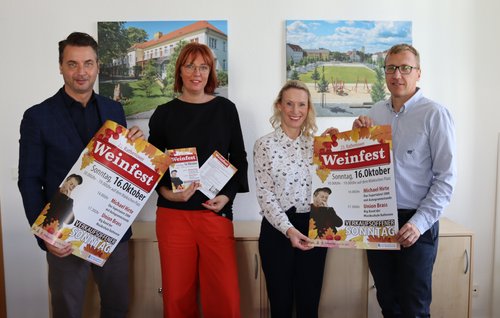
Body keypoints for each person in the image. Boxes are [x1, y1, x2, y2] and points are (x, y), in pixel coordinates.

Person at [18, 32, 144, 318]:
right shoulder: (37, 116)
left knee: (117, 306)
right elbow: (28, 179)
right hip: (63, 231)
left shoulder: (114, 110)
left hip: (112, 231)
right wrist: (45, 235)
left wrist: (136, 145)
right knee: (67, 310)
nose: (81, 72)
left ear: (98, 65)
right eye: (72, 64)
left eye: (88, 63)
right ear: (60, 66)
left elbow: (118, 168)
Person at [352, 43, 457, 317]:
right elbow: (364, 167)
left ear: (418, 73)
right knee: (388, 303)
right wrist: (356, 137)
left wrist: (419, 223)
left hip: (416, 224)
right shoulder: (375, 113)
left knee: (414, 307)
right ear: (385, 72)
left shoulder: (435, 114)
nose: (397, 75)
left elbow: (445, 179)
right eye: (391, 68)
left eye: (405, 68)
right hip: (378, 220)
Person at [148, 42, 249, 318]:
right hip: (173, 217)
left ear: (211, 72)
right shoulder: (163, 114)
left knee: (224, 296)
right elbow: (152, 168)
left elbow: (239, 160)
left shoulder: (226, 109)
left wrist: (227, 196)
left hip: (215, 214)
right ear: (179, 70)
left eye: (203, 67)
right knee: (177, 297)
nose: (197, 72)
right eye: (190, 65)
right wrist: (169, 195)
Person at [254, 80, 338, 318]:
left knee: (309, 305)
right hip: (278, 231)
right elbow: (265, 195)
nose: (295, 110)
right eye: (289, 103)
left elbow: (331, 185)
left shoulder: (316, 145)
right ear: (279, 106)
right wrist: (289, 230)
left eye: (301, 104)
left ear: (308, 108)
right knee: (280, 306)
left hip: (314, 228)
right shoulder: (264, 145)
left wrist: (338, 144)